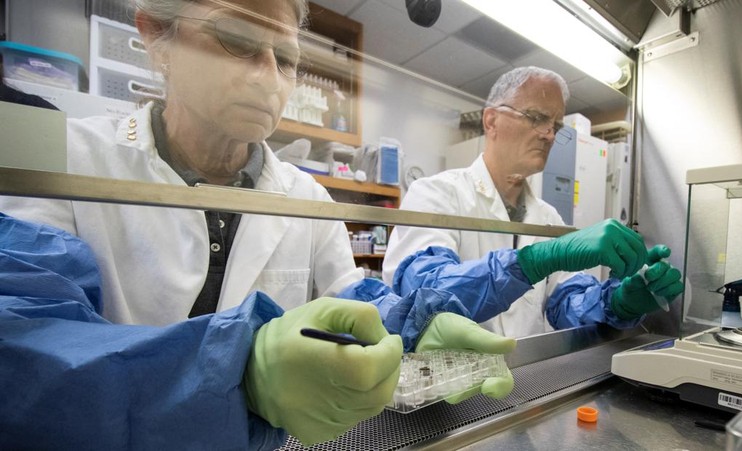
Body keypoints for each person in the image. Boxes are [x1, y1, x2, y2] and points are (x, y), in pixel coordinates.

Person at [0, 0, 514, 449]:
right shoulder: (66, 161)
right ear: (157, 37)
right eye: (236, 40)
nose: (268, 74)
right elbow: (25, 350)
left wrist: (407, 330)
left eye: (285, 58)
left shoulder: (308, 199)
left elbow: (352, 304)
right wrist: (241, 374)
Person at [381, 66, 685, 338]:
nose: (549, 135)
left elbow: (567, 303)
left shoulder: (548, 216)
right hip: (451, 387)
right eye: (537, 118)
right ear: (491, 120)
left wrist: (619, 303)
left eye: (556, 125)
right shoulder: (435, 194)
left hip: (528, 383)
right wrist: (535, 261)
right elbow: (422, 298)